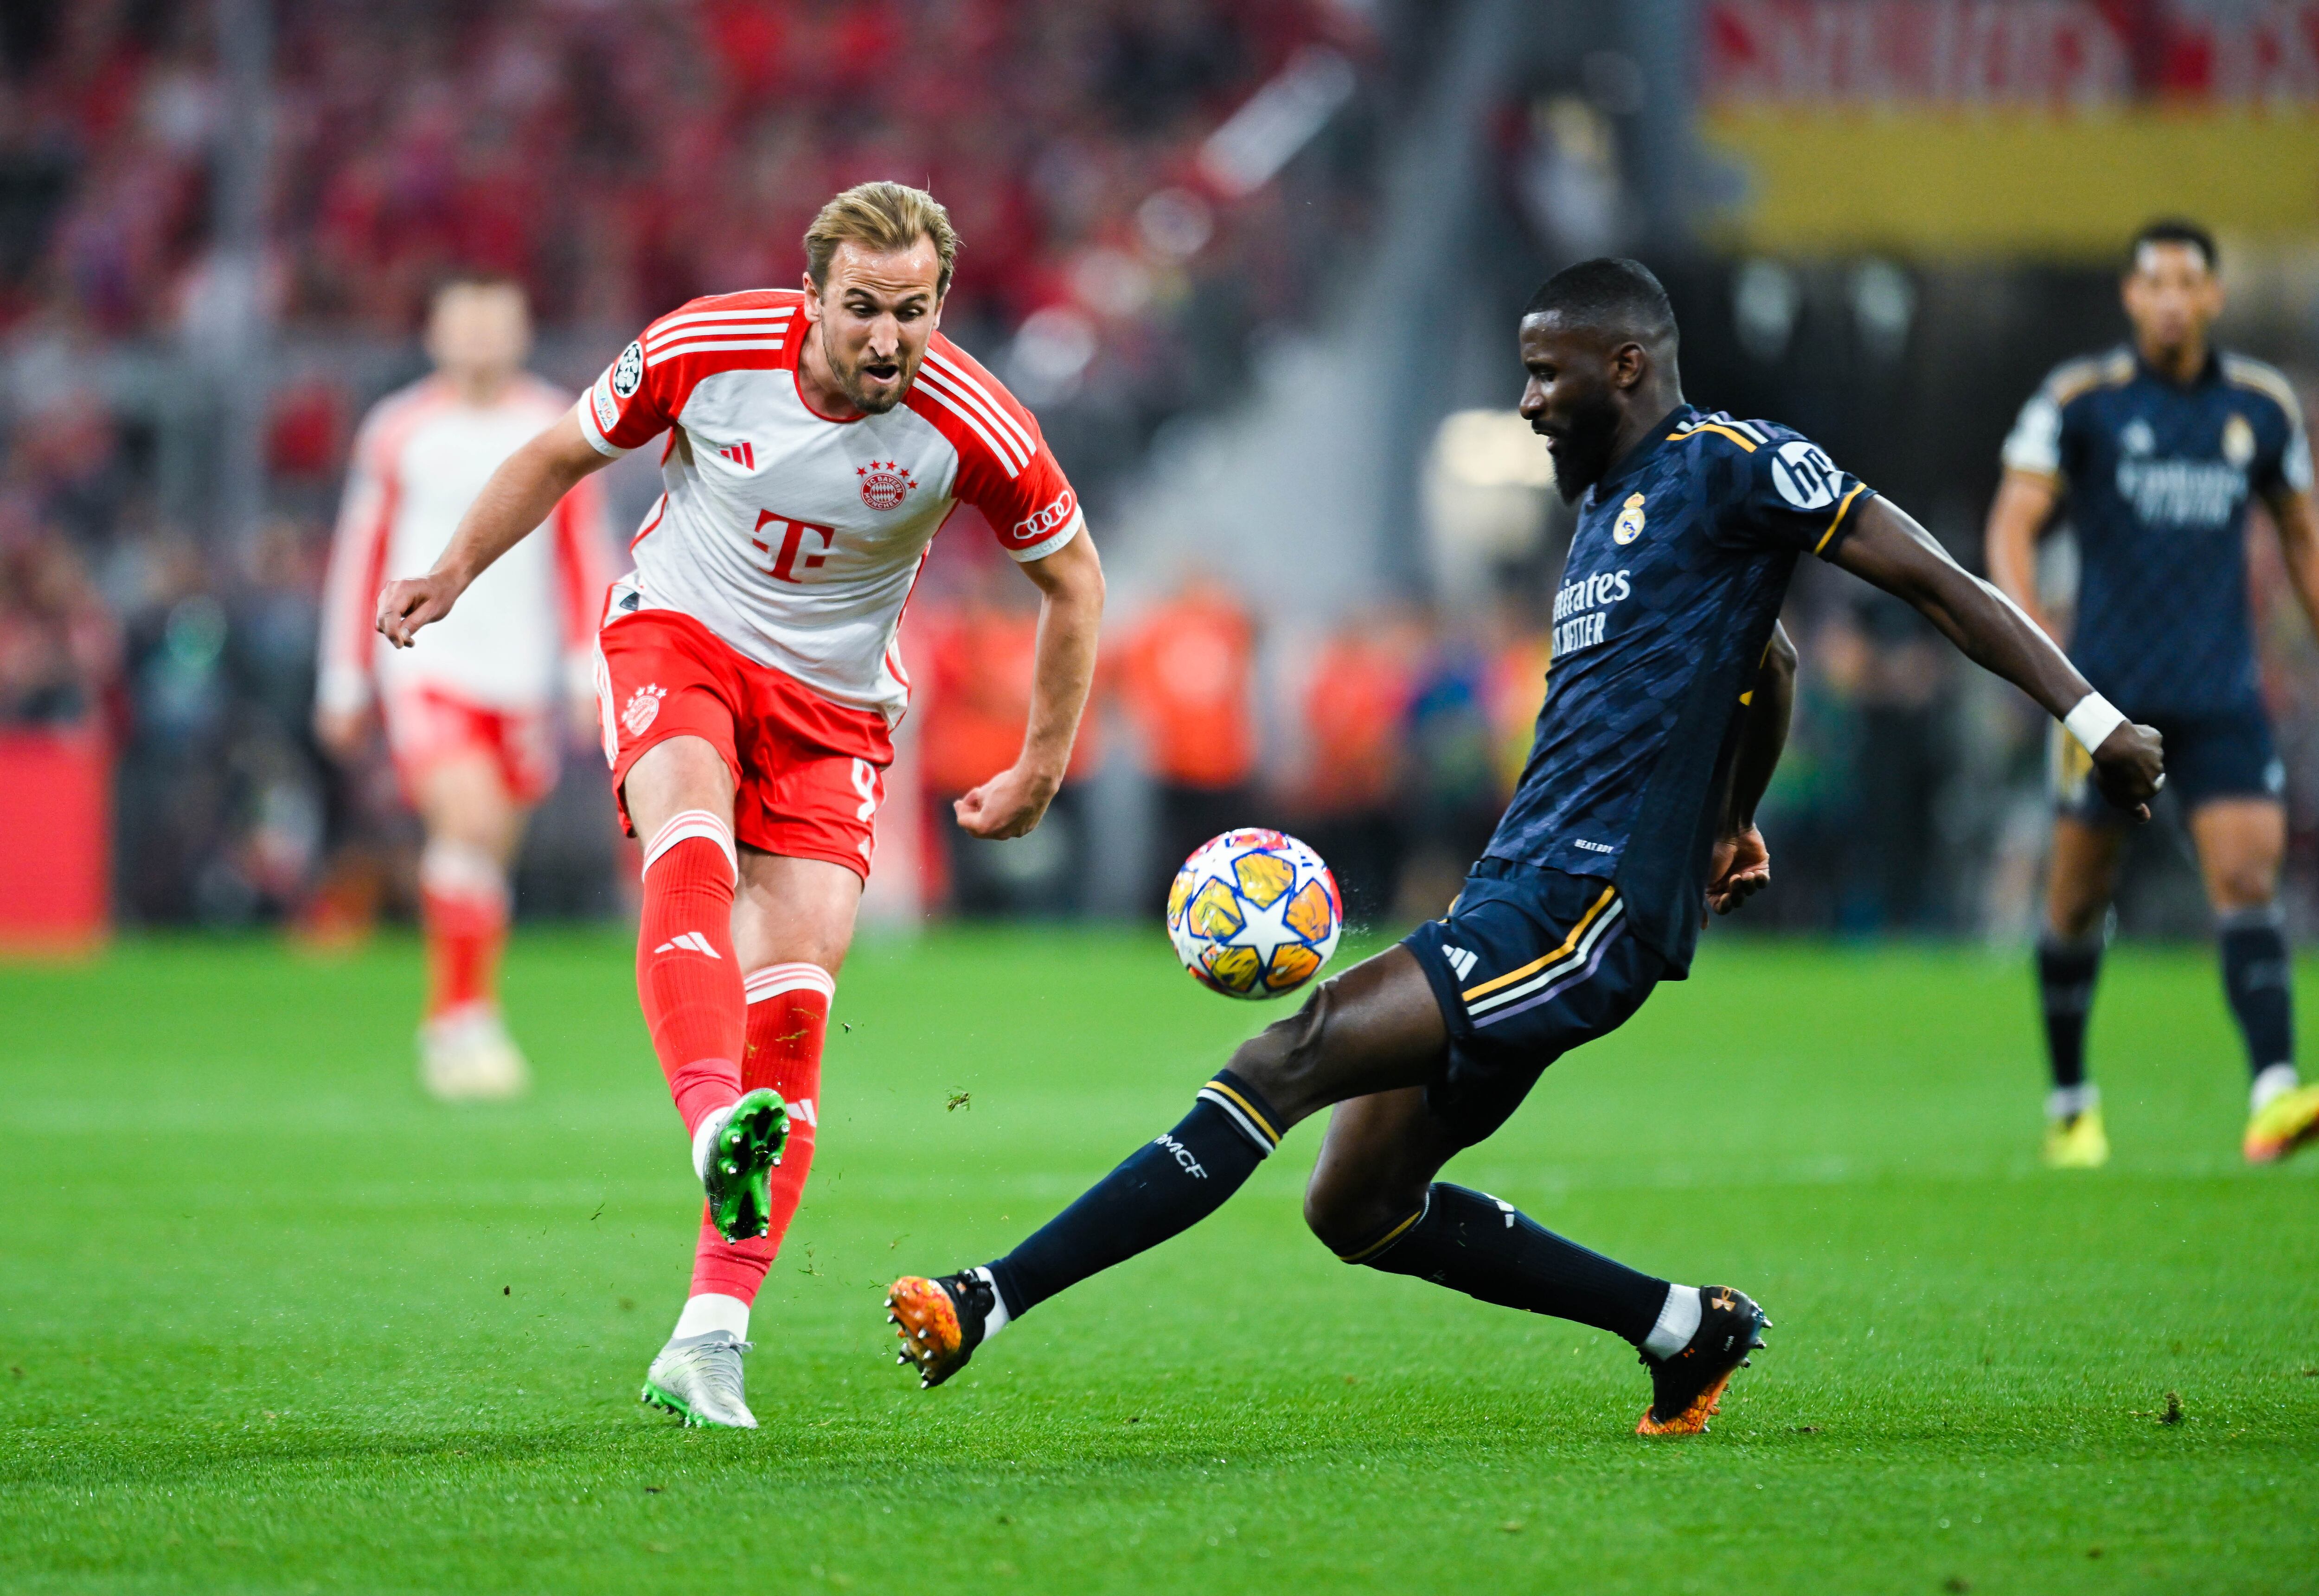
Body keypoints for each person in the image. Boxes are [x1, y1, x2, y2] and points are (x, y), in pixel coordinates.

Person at [886, 257, 2163, 1436]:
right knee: (1357, 1209)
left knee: (1288, 1055)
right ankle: (1682, 1327)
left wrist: (2094, 721)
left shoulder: (1739, 462)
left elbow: (1939, 579)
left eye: (1547, 372)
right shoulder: (1612, 507)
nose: (1528, 400)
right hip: (1526, 886)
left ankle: (987, 1298)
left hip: (1586, 906)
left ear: (1627, 364)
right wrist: (1734, 817)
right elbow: (1763, 659)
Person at [371, 183, 1104, 1428]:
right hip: (682, 635)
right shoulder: (705, 349)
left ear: (941, 306)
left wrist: (1040, 766)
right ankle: (716, 1123)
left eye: (914, 311)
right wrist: (451, 570)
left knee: (798, 999)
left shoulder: (973, 420)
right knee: (690, 828)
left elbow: (1074, 582)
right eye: (863, 308)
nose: (888, 337)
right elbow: (559, 454)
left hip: (837, 710)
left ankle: (710, 1336)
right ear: (810, 297)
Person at [1986, 219, 2319, 1169]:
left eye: (2188, 282)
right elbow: (2013, 515)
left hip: (2221, 690)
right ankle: (2069, 1102)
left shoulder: (2262, 409)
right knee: (2076, 899)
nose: (2171, 298)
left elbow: (2300, 537)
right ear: (2130, 299)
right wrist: (2029, 638)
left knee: (2249, 875)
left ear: (2213, 296)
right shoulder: (2080, 401)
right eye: (2154, 283)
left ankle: (2271, 1095)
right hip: (2102, 700)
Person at [315, 275, 612, 1101]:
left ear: (520, 333)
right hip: (426, 661)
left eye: (496, 324)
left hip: (522, 673)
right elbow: (360, 555)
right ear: (435, 334)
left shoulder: (553, 423)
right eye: (465, 324)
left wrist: (589, 665)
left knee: (486, 852)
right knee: (469, 819)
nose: (480, 340)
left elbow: (584, 552)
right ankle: (463, 1019)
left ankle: (458, 1014)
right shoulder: (401, 429)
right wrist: (343, 676)